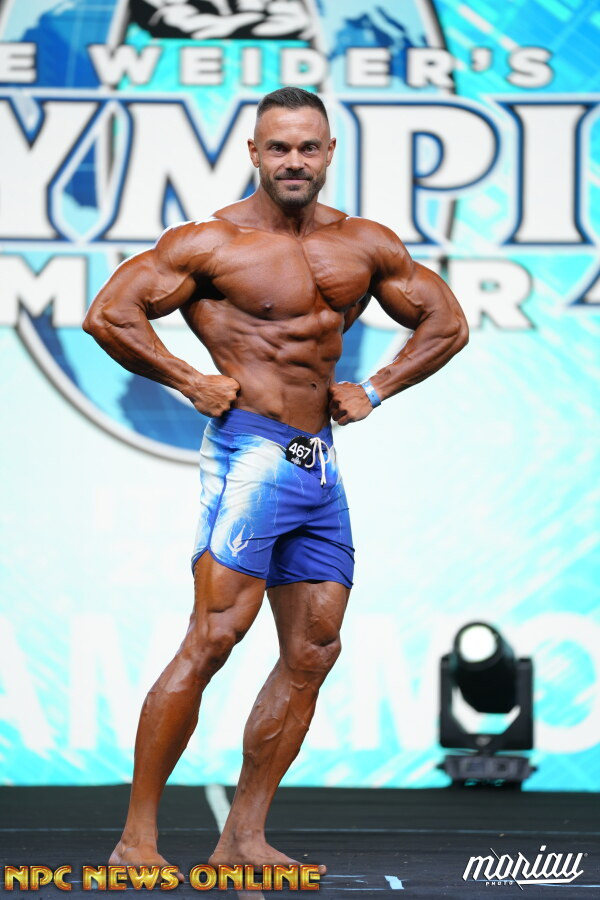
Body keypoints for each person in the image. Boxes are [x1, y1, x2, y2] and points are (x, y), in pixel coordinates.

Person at [83, 86, 468, 876]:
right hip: (249, 454)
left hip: (316, 460)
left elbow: (447, 322)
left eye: (308, 147)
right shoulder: (209, 243)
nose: (295, 160)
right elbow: (110, 314)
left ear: (329, 154)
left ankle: (243, 838)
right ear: (255, 153)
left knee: (315, 647)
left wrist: (379, 386)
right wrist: (188, 378)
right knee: (215, 637)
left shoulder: (364, 243)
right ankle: (136, 840)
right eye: (280, 147)